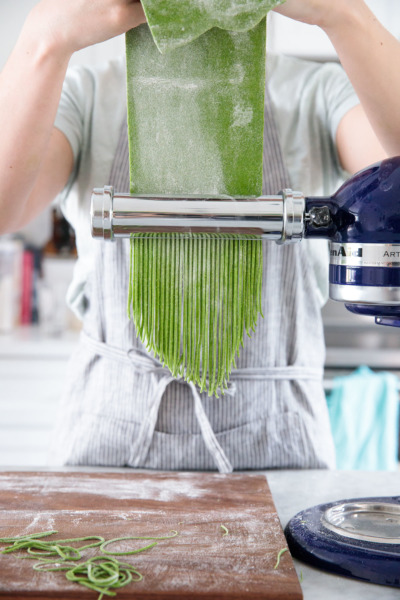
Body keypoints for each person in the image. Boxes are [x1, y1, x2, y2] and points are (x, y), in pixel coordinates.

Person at [0, 0, 399, 471]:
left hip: (278, 451)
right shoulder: (86, 94)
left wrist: (346, 15)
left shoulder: (316, 93)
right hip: (106, 450)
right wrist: (42, 40)